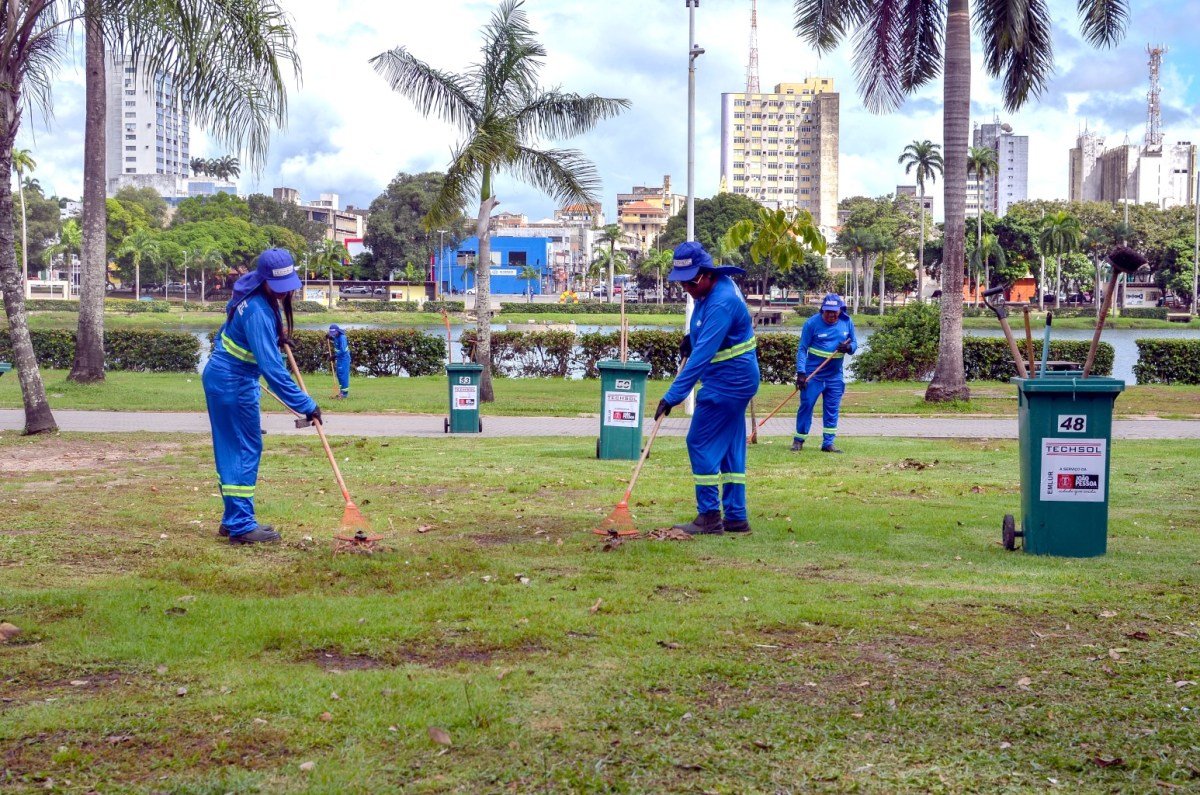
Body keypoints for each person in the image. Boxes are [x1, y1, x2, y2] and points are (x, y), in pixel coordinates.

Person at [202, 248, 319, 545]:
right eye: (278, 287)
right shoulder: (257, 310)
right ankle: (241, 525)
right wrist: (307, 405)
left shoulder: (248, 290)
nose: (283, 293)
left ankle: (233, 520)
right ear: (265, 279)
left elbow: (225, 332)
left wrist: (269, 338)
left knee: (233, 449)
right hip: (232, 385)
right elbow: (272, 369)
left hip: (226, 378)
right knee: (244, 449)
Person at [654, 241, 759, 535]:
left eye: (690, 282)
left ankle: (710, 516)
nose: (686, 288)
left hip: (729, 381)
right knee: (730, 447)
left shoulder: (721, 300)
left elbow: (700, 358)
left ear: (706, 274)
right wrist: (691, 336)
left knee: (698, 441)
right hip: (736, 378)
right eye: (681, 284)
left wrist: (672, 396)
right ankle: (736, 518)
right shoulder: (712, 288)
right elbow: (705, 333)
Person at [792, 293, 858, 454]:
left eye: (834, 312)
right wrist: (801, 372)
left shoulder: (847, 322)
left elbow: (855, 343)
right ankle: (799, 440)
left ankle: (828, 443)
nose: (830, 315)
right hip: (813, 375)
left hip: (835, 376)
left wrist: (849, 348)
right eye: (827, 311)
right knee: (806, 406)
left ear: (840, 310)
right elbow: (802, 349)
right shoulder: (811, 324)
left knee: (832, 408)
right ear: (822, 309)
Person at [327, 324, 351, 398]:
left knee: (343, 375)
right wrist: (329, 337)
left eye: (334, 333)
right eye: (332, 334)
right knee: (339, 374)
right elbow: (334, 338)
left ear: (338, 331)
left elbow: (343, 350)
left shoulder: (342, 337)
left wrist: (334, 356)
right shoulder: (336, 336)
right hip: (340, 358)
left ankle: (344, 394)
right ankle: (341, 392)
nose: (333, 335)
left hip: (344, 358)